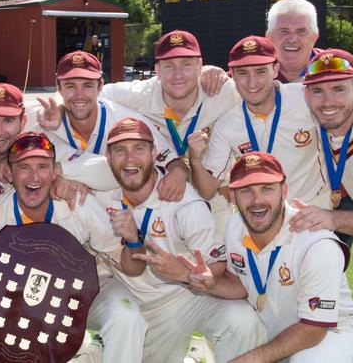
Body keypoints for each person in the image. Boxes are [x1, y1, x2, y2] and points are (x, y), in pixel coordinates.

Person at [97, 117, 266, 362]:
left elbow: (217, 262)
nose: (130, 158)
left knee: (243, 321)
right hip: (140, 305)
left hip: (187, 296)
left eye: (139, 148)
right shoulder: (99, 192)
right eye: (120, 150)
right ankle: (97, 352)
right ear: (108, 156)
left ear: (155, 153)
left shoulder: (184, 201)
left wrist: (188, 273)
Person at [184, 151, 353, 362]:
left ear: (284, 191)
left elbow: (314, 329)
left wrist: (252, 358)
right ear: (232, 196)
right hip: (280, 328)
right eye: (246, 191)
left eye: (267, 189)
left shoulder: (316, 243)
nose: (257, 201)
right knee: (237, 319)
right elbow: (243, 284)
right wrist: (212, 284)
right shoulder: (234, 225)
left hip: (333, 332)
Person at [0, 131, 147, 363]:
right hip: (30, 297)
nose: (34, 176)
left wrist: (134, 241)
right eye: (24, 167)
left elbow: (132, 267)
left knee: (126, 316)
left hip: (88, 287)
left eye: (43, 167)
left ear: (55, 171)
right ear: (10, 172)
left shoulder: (78, 203)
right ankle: (87, 353)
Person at [100, 30, 240, 236]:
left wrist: (218, 71)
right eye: (169, 66)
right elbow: (89, 94)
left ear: (200, 66)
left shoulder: (222, 92)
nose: (178, 74)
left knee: (222, 255)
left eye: (186, 64)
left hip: (212, 191)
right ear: (156, 70)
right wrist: (57, 109)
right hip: (161, 190)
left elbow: (263, 89)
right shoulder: (140, 95)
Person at [289, 48, 353, 361]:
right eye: (318, 91)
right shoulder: (326, 120)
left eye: (339, 88)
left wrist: (333, 219)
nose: (328, 101)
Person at [190, 35, 329, 210]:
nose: (251, 82)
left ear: (276, 69)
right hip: (263, 221)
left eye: (261, 71)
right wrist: (195, 160)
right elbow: (207, 190)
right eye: (242, 73)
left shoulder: (305, 98)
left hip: (313, 215)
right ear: (231, 75)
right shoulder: (227, 122)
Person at [32, 50, 186, 199]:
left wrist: (178, 173)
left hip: (121, 205)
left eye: (88, 85)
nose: (79, 95)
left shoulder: (129, 122)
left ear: (100, 87)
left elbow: (173, 163)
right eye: (70, 86)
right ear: (59, 88)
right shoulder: (46, 118)